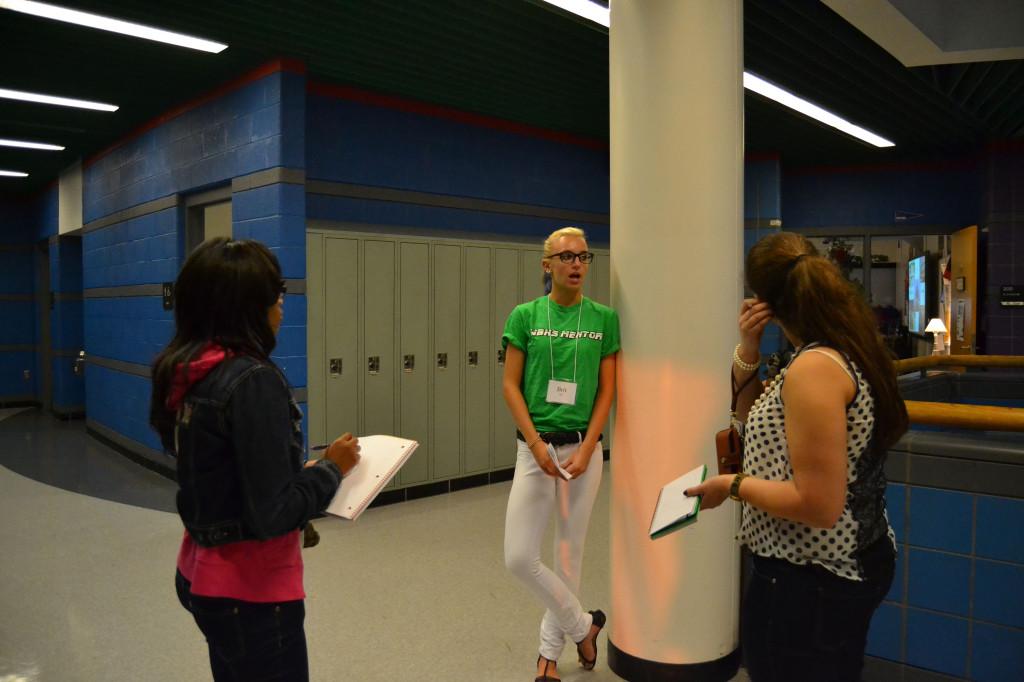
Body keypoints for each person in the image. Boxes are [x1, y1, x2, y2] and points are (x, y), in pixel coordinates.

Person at [686, 232, 908, 682]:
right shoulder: (837, 347)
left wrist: (729, 486)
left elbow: (818, 504)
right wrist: (749, 347)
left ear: (764, 298)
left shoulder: (814, 368)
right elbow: (754, 422)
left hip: (809, 578)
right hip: (837, 566)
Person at [149, 238, 360, 681]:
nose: (281, 308)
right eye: (275, 297)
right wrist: (331, 468)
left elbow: (227, 473)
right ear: (245, 307)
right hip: (251, 593)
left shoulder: (191, 370)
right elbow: (273, 514)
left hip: (200, 571)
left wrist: (289, 472)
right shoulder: (252, 380)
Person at [501, 226, 620, 682]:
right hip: (535, 450)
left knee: (568, 554)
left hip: (583, 453)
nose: (576, 264)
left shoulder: (604, 319)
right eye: (566, 256)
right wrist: (535, 444)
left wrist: (589, 447)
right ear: (546, 265)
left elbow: (608, 391)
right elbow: (511, 386)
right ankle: (584, 627)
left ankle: (549, 655)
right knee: (518, 556)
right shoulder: (525, 316)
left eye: (584, 257)